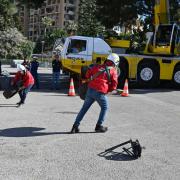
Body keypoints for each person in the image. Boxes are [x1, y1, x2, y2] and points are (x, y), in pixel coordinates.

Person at [71, 53, 120, 133]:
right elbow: (114, 85)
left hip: (90, 90)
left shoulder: (97, 66)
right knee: (105, 107)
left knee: (84, 109)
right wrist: (108, 90)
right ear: (116, 62)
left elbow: (87, 75)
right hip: (100, 91)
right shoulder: (113, 70)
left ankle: (75, 126)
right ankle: (98, 126)